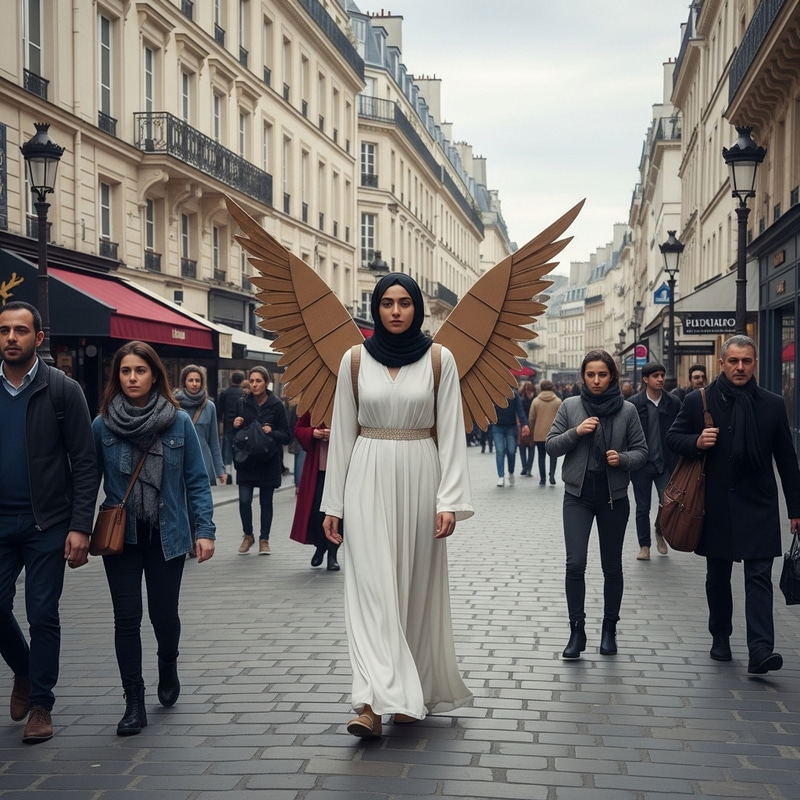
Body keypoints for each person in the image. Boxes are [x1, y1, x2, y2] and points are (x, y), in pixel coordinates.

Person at [321, 273, 473, 739]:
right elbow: (343, 434)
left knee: (412, 590)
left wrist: (449, 500)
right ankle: (369, 700)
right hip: (365, 476)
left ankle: (412, 692)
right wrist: (334, 505)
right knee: (370, 591)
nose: (395, 311)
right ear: (375, 307)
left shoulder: (439, 360)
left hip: (420, 476)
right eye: (386, 303)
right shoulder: (352, 361)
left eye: (404, 303)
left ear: (417, 309)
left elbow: (450, 434)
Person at [92, 340, 215, 735]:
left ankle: (168, 661)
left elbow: (196, 480)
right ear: (117, 377)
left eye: (140, 371)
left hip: (169, 535)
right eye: (125, 371)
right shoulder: (101, 425)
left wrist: (205, 531)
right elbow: (84, 480)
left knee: (163, 615)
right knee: (126, 619)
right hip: (121, 538)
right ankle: (133, 701)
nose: (132, 378)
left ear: (154, 375)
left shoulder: (178, 422)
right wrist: (76, 527)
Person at [666, 335, 800, 674]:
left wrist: (795, 509)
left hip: (759, 504)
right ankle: (720, 636)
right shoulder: (701, 401)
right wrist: (696, 441)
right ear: (722, 363)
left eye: (747, 361)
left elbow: (787, 459)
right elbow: (672, 438)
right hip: (716, 503)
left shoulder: (771, 404)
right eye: (734, 361)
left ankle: (760, 650)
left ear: (754, 364)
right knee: (718, 574)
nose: (740, 367)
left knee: (759, 576)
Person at [0, 301, 98, 744]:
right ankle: (24, 669)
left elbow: (84, 460)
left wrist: (81, 525)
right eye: (4, 330)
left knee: (42, 613)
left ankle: (41, 703)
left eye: (20, 330)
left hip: (47, 523)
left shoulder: (62, 390)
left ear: (38, 339)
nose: (10, 338)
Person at [546, 349, 647, 660]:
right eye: (590, 374)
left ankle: (609, 629)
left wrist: (623, 459)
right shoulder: (570, 406)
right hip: (577, 496)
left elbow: (642, 452)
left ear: (612, 376)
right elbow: (550, 446)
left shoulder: (627, 410)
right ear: (583, 377)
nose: (596, 380)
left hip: (613, 498)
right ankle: (577, 630)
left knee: (611, 566)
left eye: (602, 374)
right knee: (575, 563)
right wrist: (576, 432)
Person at [233, 366, 291, 555]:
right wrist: (236, 426)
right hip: (247, 461)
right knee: (244, 500)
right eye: (252, 381)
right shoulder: (242, 403)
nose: (255, 384)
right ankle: (247, 535)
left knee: (266, 502)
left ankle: (264, 540)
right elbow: (235, 435)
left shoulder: (276, 405)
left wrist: (271, 432)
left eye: (259, 381)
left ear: (266, 383)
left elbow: (286, 435)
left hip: (268, 461)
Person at [627, 362, 680, 561]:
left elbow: (681, 430)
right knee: (642, 507)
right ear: (645, 379)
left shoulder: (673, 402)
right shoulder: (634, 403)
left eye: (662, 375)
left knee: (667, 503)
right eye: (656, 376)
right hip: (641, 464)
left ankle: (660, 530)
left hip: (665, 463)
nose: (660, 379)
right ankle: (644, 545)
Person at [174, 365, 226, 557]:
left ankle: (196, 536)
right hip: (178, 459)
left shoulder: (209, 406)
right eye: (190, 380)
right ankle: (186, 539)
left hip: (202, 460)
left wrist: (220, 468)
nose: (194, 384)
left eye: (197, 380)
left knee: (197, 503)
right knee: (182, 502)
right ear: (184, 382)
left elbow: (214, 440)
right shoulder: (174, 404)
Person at [289, 411, 339, 570]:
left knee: (337, 513)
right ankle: (320, 546)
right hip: (317, 469)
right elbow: (299, 429)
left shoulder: (346, 402)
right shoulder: (313, 404)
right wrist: (313, 433)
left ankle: (333, 554)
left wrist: (336, 435)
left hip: (339, 469)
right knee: (317, 510)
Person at [492, 388, 530, 487]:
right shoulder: (493, 393)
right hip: (497, 426)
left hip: (511, 426)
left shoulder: (513, 394)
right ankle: (501, 476)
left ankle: (511, 472)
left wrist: (524, 424)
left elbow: (520, 409)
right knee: (500, 451)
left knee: (511, 451)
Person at [528, 379, 562, 485]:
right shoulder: (558, 401)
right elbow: (562, 419)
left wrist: (532, 432)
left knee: (541, 456)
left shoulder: (536, 401)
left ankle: (542, 479)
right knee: (553, 455)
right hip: (554, 433)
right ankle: (552, 475)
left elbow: (531, 418)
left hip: (539, 434)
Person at [216, 371, 244, 483]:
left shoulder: (224, 393)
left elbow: (219, 410)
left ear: (231, 380)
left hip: (227, 423)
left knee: (226, 448)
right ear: (241, 381)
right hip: (240, 425)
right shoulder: (242, 394)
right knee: (239, 447)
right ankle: (239, 468)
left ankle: (228, 472)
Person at [518, 381, 536, 476]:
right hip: (528, 424)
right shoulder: (534, 398)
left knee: (525, 446)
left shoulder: (522, 397)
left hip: (525, 424)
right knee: (529, 446)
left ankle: (526, 467)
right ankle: (527, 467)